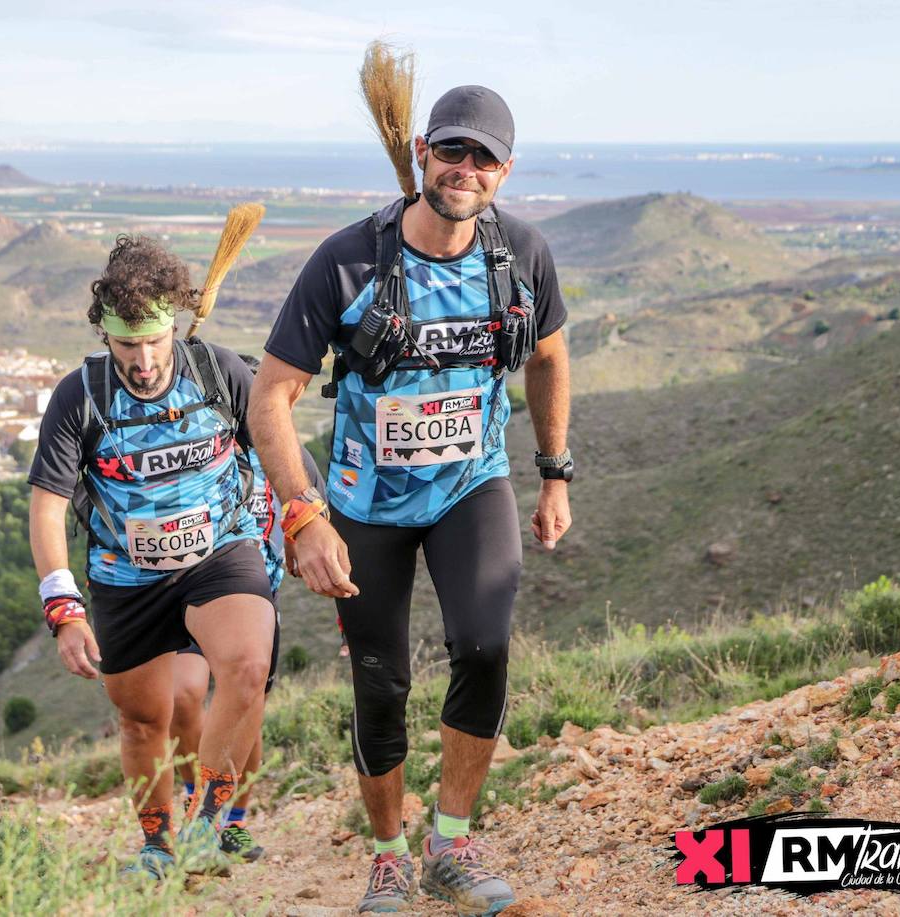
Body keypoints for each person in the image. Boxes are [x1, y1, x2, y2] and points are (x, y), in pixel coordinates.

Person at [249, 85, 573, 914]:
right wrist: (304, 515)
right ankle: (389, 856)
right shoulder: (348, 259)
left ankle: (452, 842)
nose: (466, 169)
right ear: (423, 149)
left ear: (507, 169)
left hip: (472, 484)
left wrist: (554, 471)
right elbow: (271, 396)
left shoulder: (523, 254)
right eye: (453, 151)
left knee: (486, 644)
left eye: (484, 158)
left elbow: (546, 358)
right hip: (363, 501)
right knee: (380, 679)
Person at [27, 235, 276, 880]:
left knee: (247, 670)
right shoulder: (79, 396)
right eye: (126, 345)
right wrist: (63, 607)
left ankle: (215, 823)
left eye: (154, 342)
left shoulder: (219, 370)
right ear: (104, 335)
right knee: (146, 719)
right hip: (128, 576)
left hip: (221, 551)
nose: (142, 361)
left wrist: (307, 524)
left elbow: (278, 450)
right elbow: (48, 506)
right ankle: (158, 847)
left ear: (174, 325)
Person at [168, 353, 325, 862]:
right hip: (193, 590)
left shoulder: (291, 458)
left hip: (259, 597)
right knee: (183, 695)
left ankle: (232, 820)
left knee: (247, 710)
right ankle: (198, 804)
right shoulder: (203, 449)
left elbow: (315, 522)